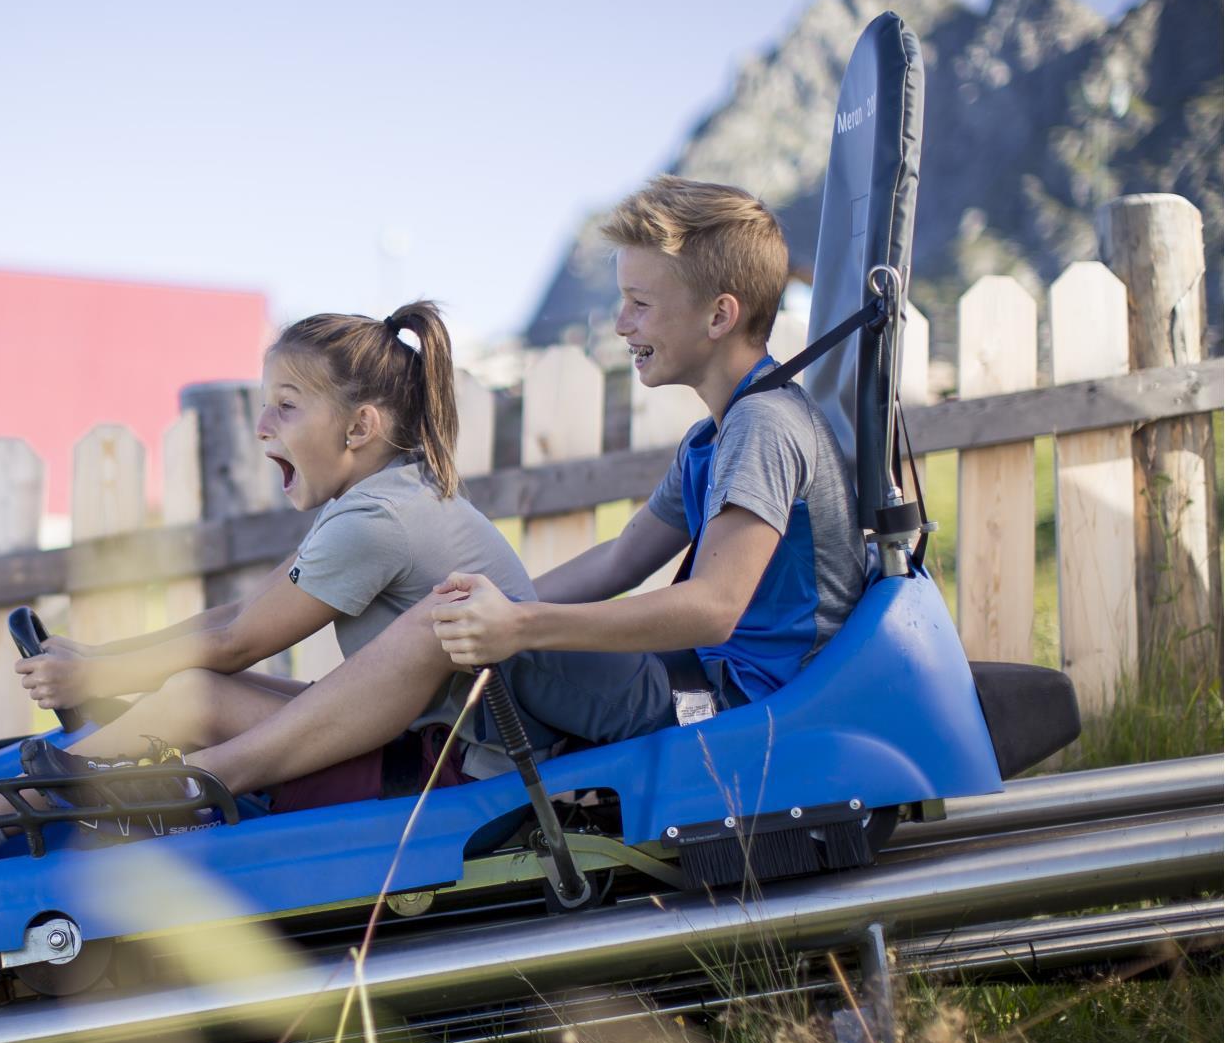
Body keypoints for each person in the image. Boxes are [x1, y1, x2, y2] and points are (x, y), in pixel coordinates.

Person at [69, 174, 864, 801]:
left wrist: (520, 625)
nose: (621, 322)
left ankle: (217, 775)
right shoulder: (713, 438)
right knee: (456, 617)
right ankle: (199, 749)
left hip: (724, 703)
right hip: (687, 677)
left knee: (449, 618)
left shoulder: (763, 429)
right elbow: (621, 558)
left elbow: (713, 606)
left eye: (640, 302)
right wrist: (513, 610)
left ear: (720, 314)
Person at [0, 299, 533, 864]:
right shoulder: (383, 498)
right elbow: (242, 613)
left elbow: (237, 640)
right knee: (187, 696)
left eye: (285, 405)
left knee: (187, 697)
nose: (260, 425)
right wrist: (100, 663)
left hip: (468, 774)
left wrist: (97, 668)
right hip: (437, 741)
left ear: (359, 427)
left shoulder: (378, 518)